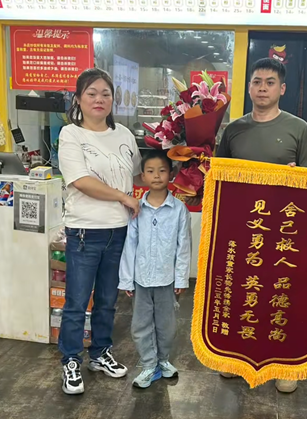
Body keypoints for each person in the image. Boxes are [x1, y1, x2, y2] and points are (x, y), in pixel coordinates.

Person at [189, 57, 307, 393]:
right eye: (257, 82)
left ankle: (285, 366)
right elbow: (220, 179)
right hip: (242, 230)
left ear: (282, 89)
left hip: (284, 231)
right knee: (240, 292)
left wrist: (296, 177)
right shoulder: (233, 129)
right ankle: (236, 358)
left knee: (281, 294)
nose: (263, 88)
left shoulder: (298, 129)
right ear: (249, 88)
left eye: (270, 83)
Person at [58, 68, 143, 395]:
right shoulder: (71, 134)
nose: (99, 99)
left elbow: (137, 174)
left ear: (113, 99)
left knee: (108, 301)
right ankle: (70, 360)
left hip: (119, 231)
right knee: (77, 302)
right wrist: (123, 197)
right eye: (91, 93)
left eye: (105, 94)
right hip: (85, 231)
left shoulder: (124, 134)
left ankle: (100, 353)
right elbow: (81, 181)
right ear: (78, 99)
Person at [118, 149, 191, 388]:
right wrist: (127, 279)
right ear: (143, 176)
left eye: (162, 170)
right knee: (140, 325)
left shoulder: (179, 210)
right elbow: (130, 245)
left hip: (166, 280)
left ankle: (163, 360)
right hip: (141, 279)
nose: (157, 176)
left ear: (171, 174)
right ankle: (149, 364)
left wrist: (181, 278)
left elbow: (183, 246)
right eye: (150, 171)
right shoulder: (137, 209)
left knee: (166, 325)